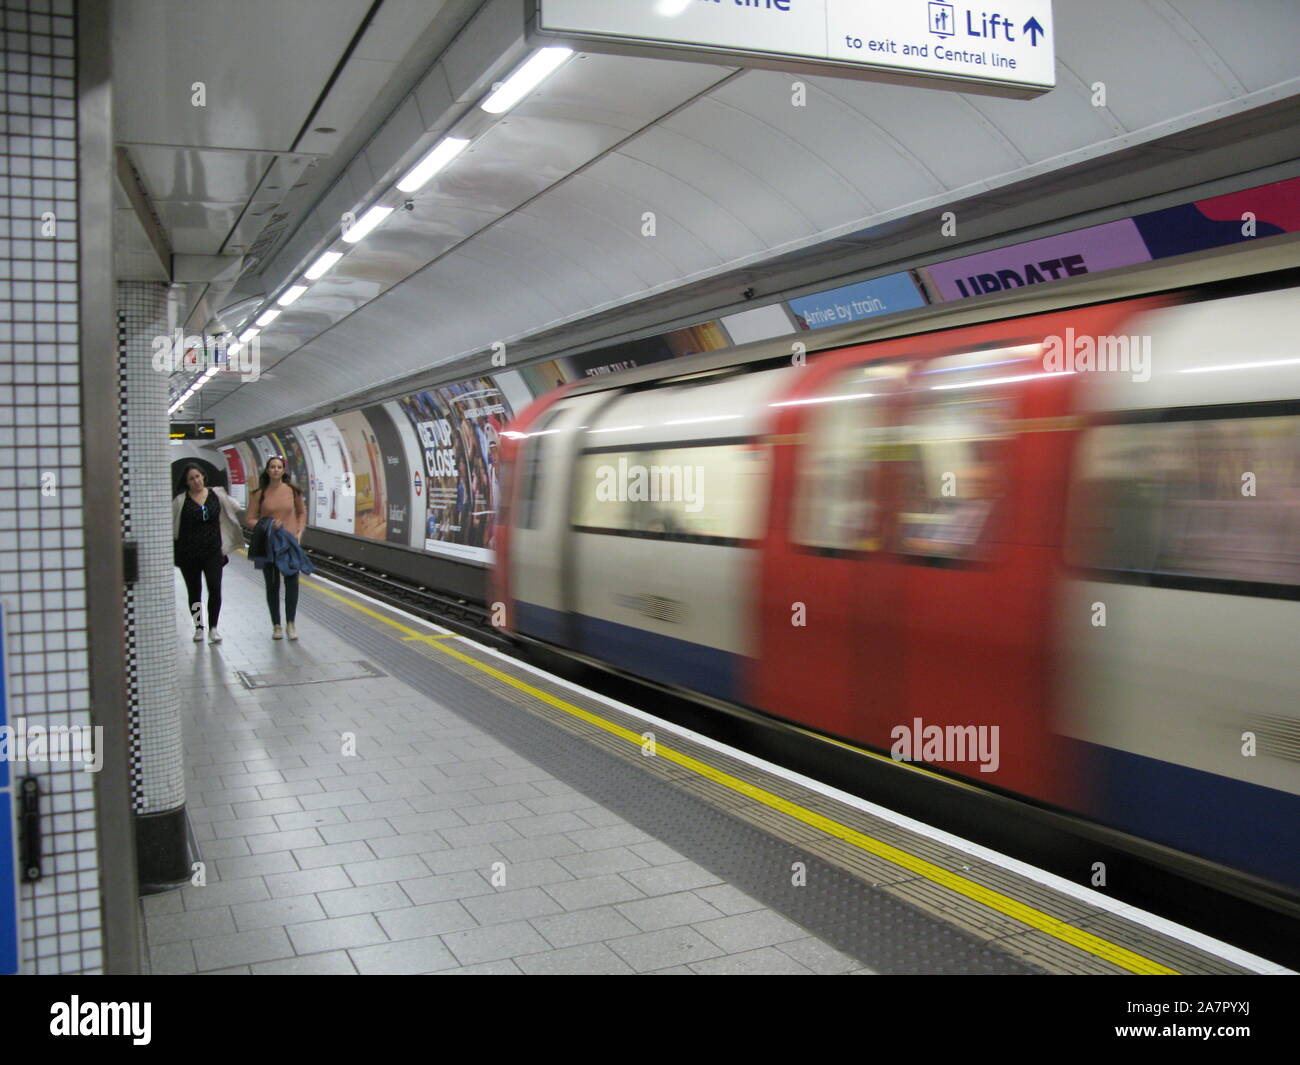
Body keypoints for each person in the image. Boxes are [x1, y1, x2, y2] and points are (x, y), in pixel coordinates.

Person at [172, 464, 245, 643]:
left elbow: (236, 507)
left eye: (198, 476)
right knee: (194, 591)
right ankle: (198, 627)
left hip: (213, 551)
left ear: (203, 477)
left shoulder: (217, 495)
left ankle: (213, 628)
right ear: (186, 482)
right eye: (191, 478)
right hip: (188, 553)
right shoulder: (181, 501)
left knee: (215, 588)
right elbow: (171, 523)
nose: (196, 481)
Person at [245, 456, 310, 640]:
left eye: (279, 467)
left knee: (292, 583)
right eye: (272, 467)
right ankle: (276, 625)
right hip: (269, 544)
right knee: (272, 585)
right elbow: (249, 519)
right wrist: (266, 524)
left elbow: (301, 512)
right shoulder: (260, 493)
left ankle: (291, 623)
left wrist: (299, 532)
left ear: (283, 471)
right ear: (267, 470)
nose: (275, 470)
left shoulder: (292, 491)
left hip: (289, 543)